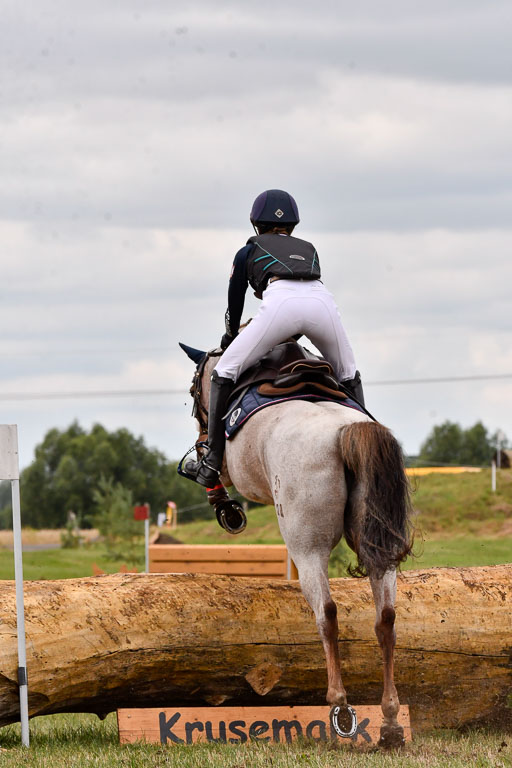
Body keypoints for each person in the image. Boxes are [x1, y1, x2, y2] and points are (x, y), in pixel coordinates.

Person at [185, 189, 364, 488]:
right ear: (293, 224)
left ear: (256, 223)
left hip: (280, 304)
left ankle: (213, 462)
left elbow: (235, 304)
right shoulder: (310, 249)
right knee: (348, 373)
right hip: (323, 304)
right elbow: (305, 294)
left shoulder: (246, 251)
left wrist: (230, 336)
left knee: (223, 372)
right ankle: (365, 440)